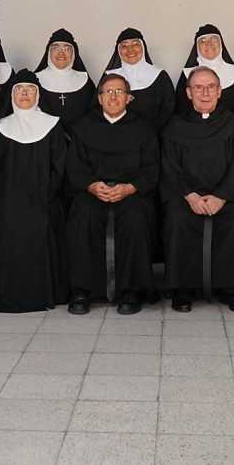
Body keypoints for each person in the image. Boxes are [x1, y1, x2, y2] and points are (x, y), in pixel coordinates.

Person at [162, 67, 234, 313]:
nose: (205, 93)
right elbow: (170, 167)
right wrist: (190, 195)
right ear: (188, 93)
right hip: (186, 196)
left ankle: (233, 289)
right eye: (198, 88)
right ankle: (183, 289)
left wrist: (221, 197)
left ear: (220, 91)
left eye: (211, 87)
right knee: (178, 219)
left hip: (226, 196)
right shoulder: (175, 126)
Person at [65, 73, 160, 315]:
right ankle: (82, 290)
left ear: (129, 98)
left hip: (131, 191)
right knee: (83, 214)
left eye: (119, 92)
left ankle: (132, 290)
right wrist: (91, 185)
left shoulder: (144, 129)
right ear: (99, 98)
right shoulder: (84, 127)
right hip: (93, 190)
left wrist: (130, 188)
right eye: (108, 92)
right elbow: (75, 166)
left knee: (136, 217)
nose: (113, 97)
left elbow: (152, 167)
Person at [0, 70, 68, 312]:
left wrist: (41, 194)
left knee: (41, 218)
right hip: (8, 197)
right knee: (7, 218)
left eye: (29, 89)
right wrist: (6, 196)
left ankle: (43, 292)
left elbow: (58, 167)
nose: (25, 94)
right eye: (19, 90)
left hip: (45, 196)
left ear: (38, 95)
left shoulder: (52, 125)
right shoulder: (2, 127)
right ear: (12, 96)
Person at [103, 28, 176, 132]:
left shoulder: (160, 76)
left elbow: (169, 110)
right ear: (118, 51)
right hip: (116, 136)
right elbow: (98, 109)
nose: (130, 49)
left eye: (135, 44)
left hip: (153, 137)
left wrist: (151, 135)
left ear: (143, 47)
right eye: (124, 45)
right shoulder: (109, 77)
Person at [175, 24, 234, 121]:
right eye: (203, 41)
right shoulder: (187, 76)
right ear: (197, 47)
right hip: (194, 131)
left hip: (231, 131)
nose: (209, 44)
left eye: (213, 40)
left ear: (221, 44)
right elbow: (181, 109)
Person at [35, 28, 96, 132]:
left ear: (74, 53)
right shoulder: (36, 81)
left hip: (79, 140)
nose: (61, 53)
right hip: (47, 140)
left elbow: (93, 114)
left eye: (67, 48)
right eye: (56, 48)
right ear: (49, 52)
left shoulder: (85, 81)